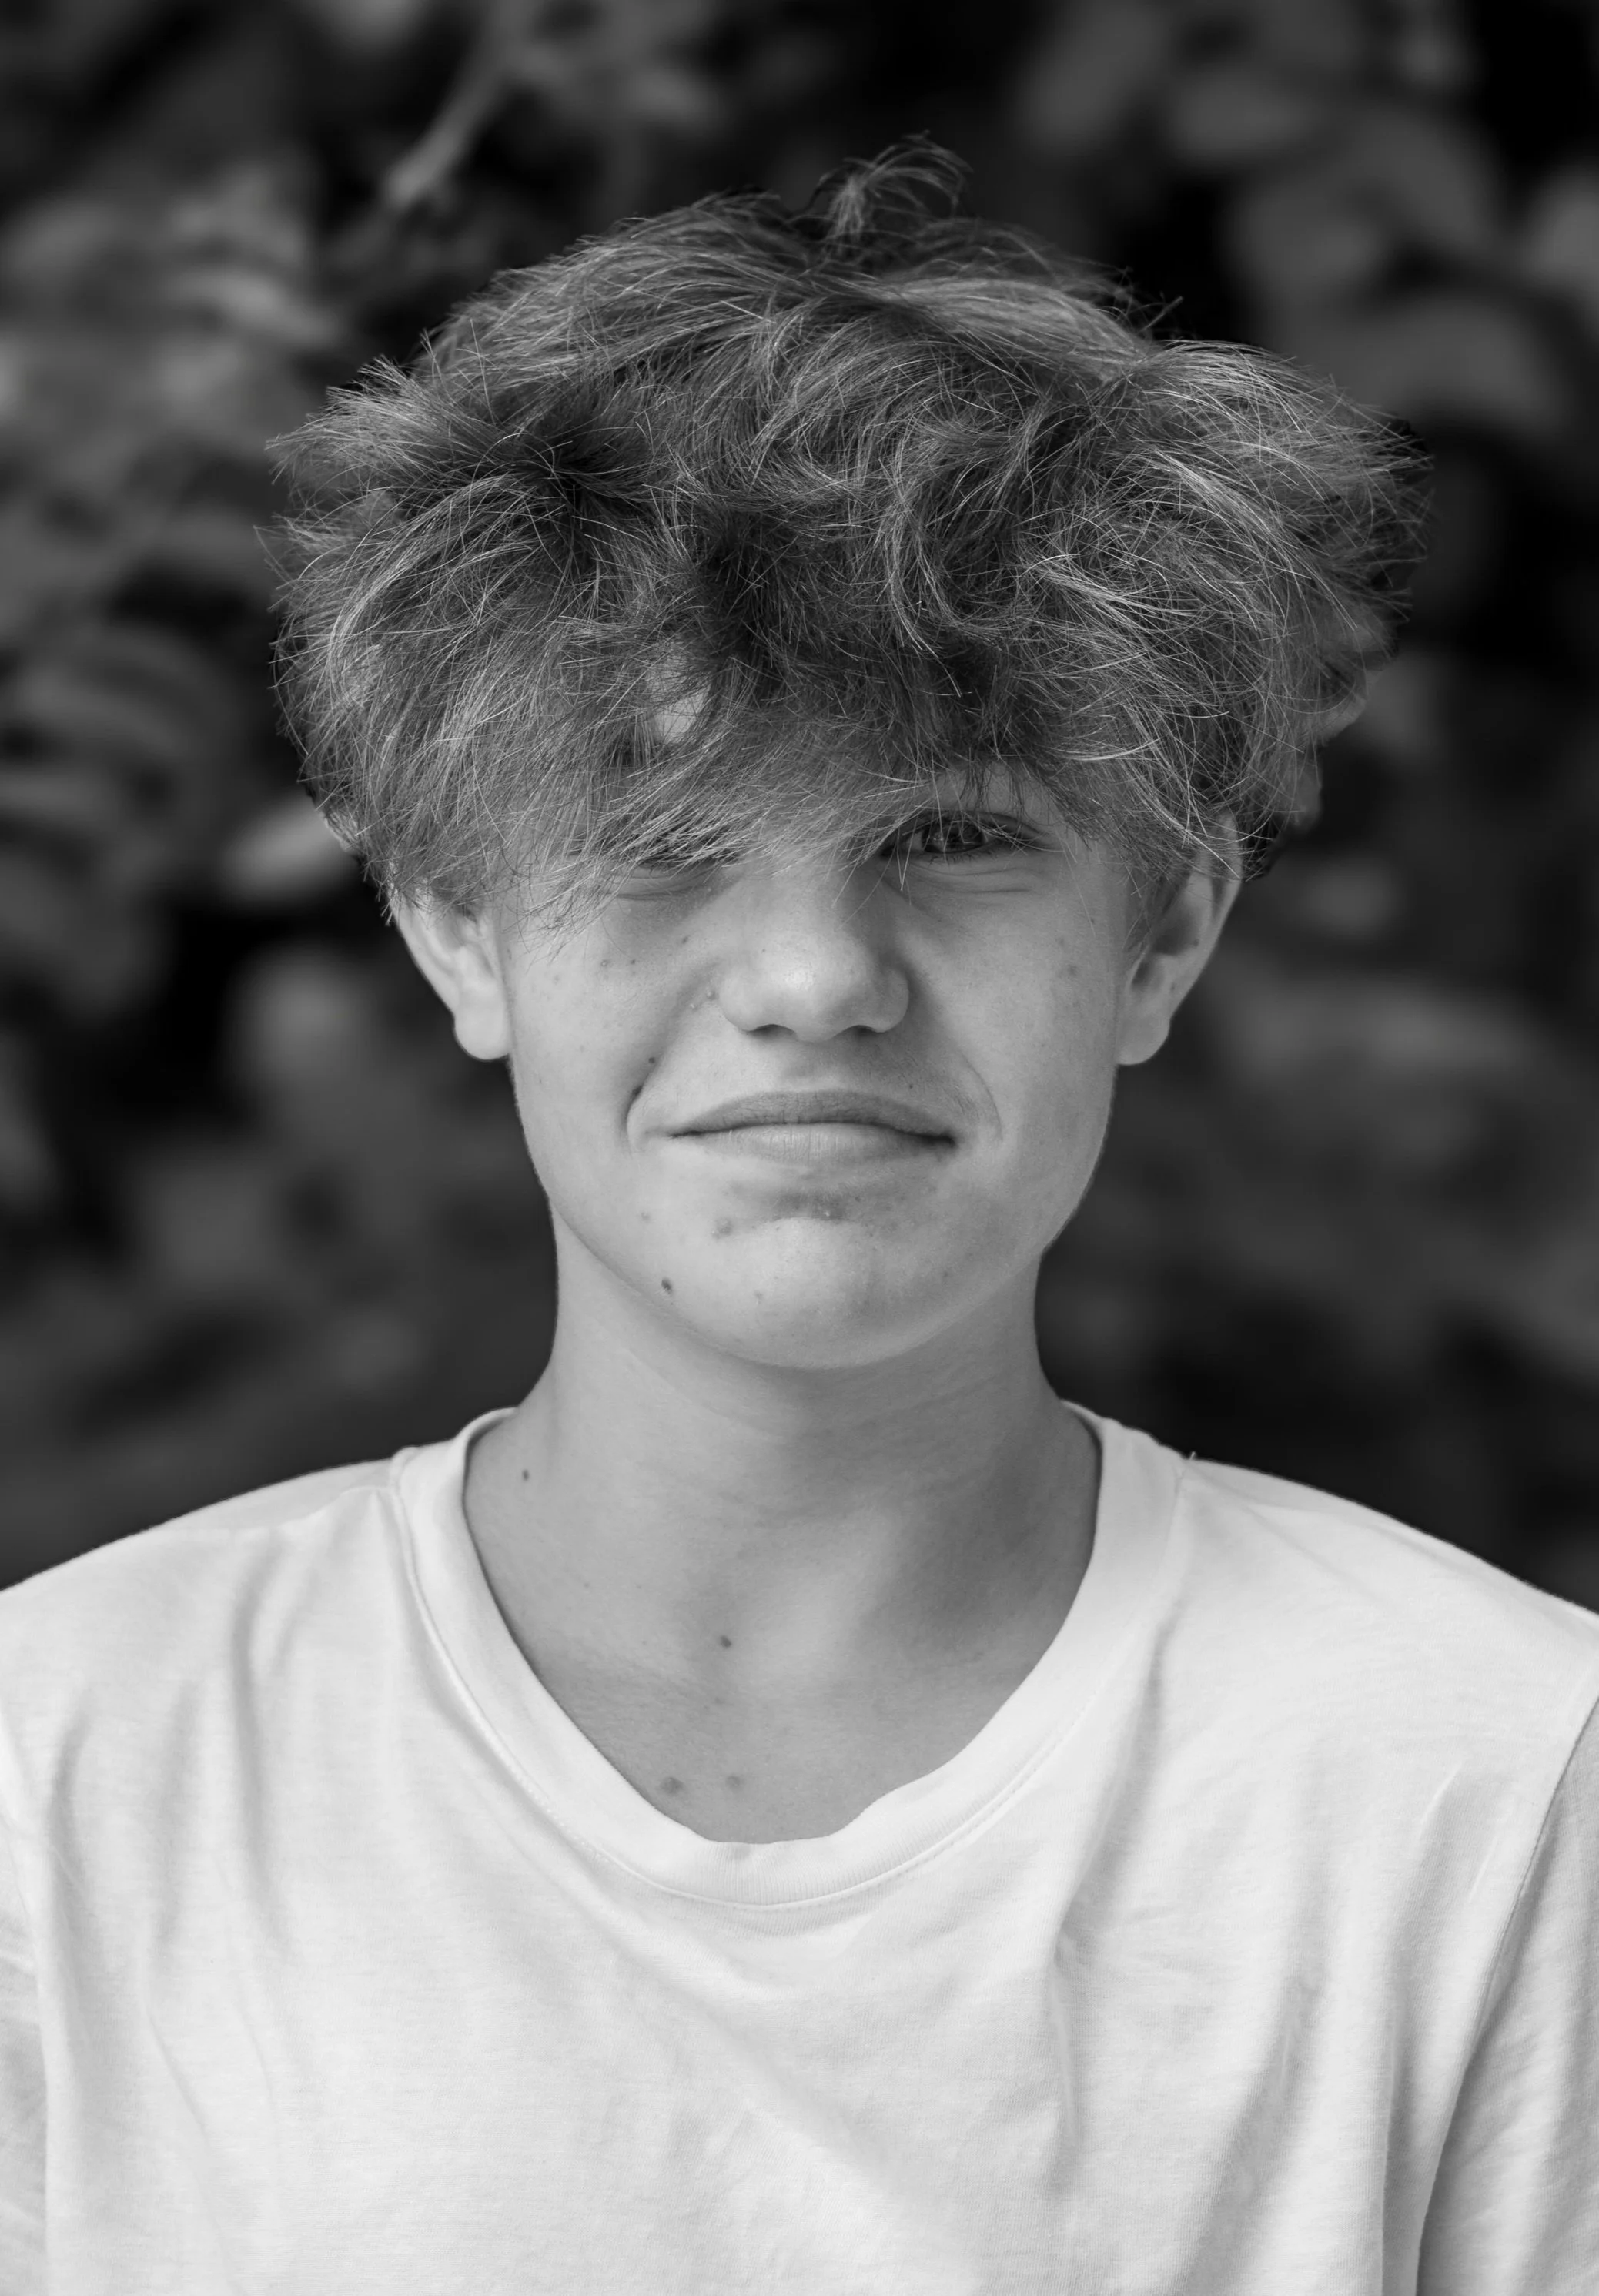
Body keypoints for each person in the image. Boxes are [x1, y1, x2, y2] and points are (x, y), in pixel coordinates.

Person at [1, 142, 1594, 2295]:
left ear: (1164, 929)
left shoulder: (1495, 1785)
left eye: (949, 831)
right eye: (662, 836)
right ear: (455, 926)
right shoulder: (65, 1771)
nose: (813, 976)